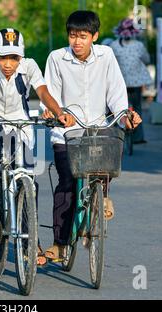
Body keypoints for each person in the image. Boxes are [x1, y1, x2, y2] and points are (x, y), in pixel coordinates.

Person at [0, 28, 76, 266]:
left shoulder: (30, 66)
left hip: (20, 123)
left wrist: (59, 113)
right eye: (3, 57)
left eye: (14, 58)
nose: (8, 64)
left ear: (20, 57)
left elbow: (42, 91)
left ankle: (29, 243)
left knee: (27, 180)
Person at [40, 11, 142, 262]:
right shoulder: (57, 58)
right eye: (73, 36)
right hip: (67, 130)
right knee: (66, 182)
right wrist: (53, 113)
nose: (77, 42)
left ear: (94, 36)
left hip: (98, 127)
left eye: (83, 36)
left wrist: (124, 115)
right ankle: (59, 244)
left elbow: (116, 92)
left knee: (108, 155)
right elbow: (50, 93)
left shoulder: (106, 55)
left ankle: (102, 196)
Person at [110, 18, 152, 144]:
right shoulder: (139, 46)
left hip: (119, 83)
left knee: (117, 108)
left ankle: (116, 134)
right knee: (137, 108)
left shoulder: (114, 45)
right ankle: (138, 137)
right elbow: (147, 59)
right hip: (136, 83)